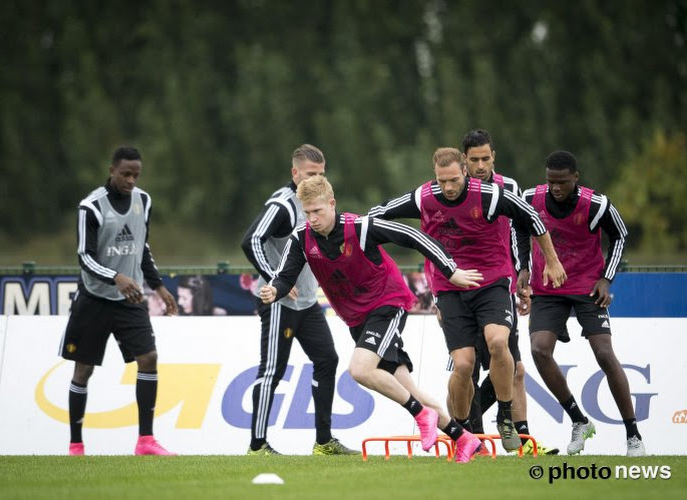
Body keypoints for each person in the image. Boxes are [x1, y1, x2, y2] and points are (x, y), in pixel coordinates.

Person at [260, 175, 485, 463]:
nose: (312, 218)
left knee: (360, 369)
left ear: (332, 204)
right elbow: (285, 276)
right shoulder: (302, 238)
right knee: (409, 389)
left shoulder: (361, 227)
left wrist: (450, 269)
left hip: (388, 304)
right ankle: (464, 439)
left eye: (317, 211)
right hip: (358, 319)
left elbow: (413, 236)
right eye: (307, 212)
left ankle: (421, 414)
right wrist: (273, 290)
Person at [369, 147, 566, 452]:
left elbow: (532, 218)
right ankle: (463, 436)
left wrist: (551, 262)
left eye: (453, 180)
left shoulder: (490, 195)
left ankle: (504, 417)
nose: (447, 187)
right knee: (463, 366)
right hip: (449, 290)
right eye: (441, 180)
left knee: (499, 344)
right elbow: (375, 216)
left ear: (464, 171)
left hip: (492, 283)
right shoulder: (424, 197)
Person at [516, 150, 645, 456]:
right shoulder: (532, 197)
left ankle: (633, 435)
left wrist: (606, 278)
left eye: (562, 182)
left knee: (604, 353)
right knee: (539, 349)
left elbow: (620, 236)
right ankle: (578, 420)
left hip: (588, 286)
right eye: (551, 182)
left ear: (575, 177)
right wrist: (523, 267)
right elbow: (518, 227)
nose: (556, 188)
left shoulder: (596, 204)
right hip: (548, 287)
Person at [59, 146, 178, 456]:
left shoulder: (144, 201)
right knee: (83, 371)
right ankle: (76, 444)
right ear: (111, 170)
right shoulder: (91, 206)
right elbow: (85, 257)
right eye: (125, 174)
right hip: (95, 300)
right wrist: (117, 277)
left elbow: (142, 248)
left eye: (136, 175)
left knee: (149, 358)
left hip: (131, 299)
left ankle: (145, 441)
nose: (131, 180)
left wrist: (159, 287)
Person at [240, 144, 355, 456]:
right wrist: (277, 279)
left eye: (320, 174)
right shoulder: (283, 205)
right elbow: (250, 239)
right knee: (272, 371)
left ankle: (323, 441)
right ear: (294, 173)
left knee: (327, 360)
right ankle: (257, 445)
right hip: (279, 302)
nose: (315, 180)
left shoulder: (316, 203)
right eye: (309, 174)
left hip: (306, 302)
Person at [459, 129, 559, 455]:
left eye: (485, 158)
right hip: (460, 290)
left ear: (494, 156)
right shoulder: (452, 191)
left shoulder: (510, 188)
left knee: (515, 368)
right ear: (464, 161)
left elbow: (521, 231)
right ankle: (470, 440)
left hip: (498, 286)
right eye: (473, 160)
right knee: (467, 369)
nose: (480, 165)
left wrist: (521, 276)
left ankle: (523, 443)